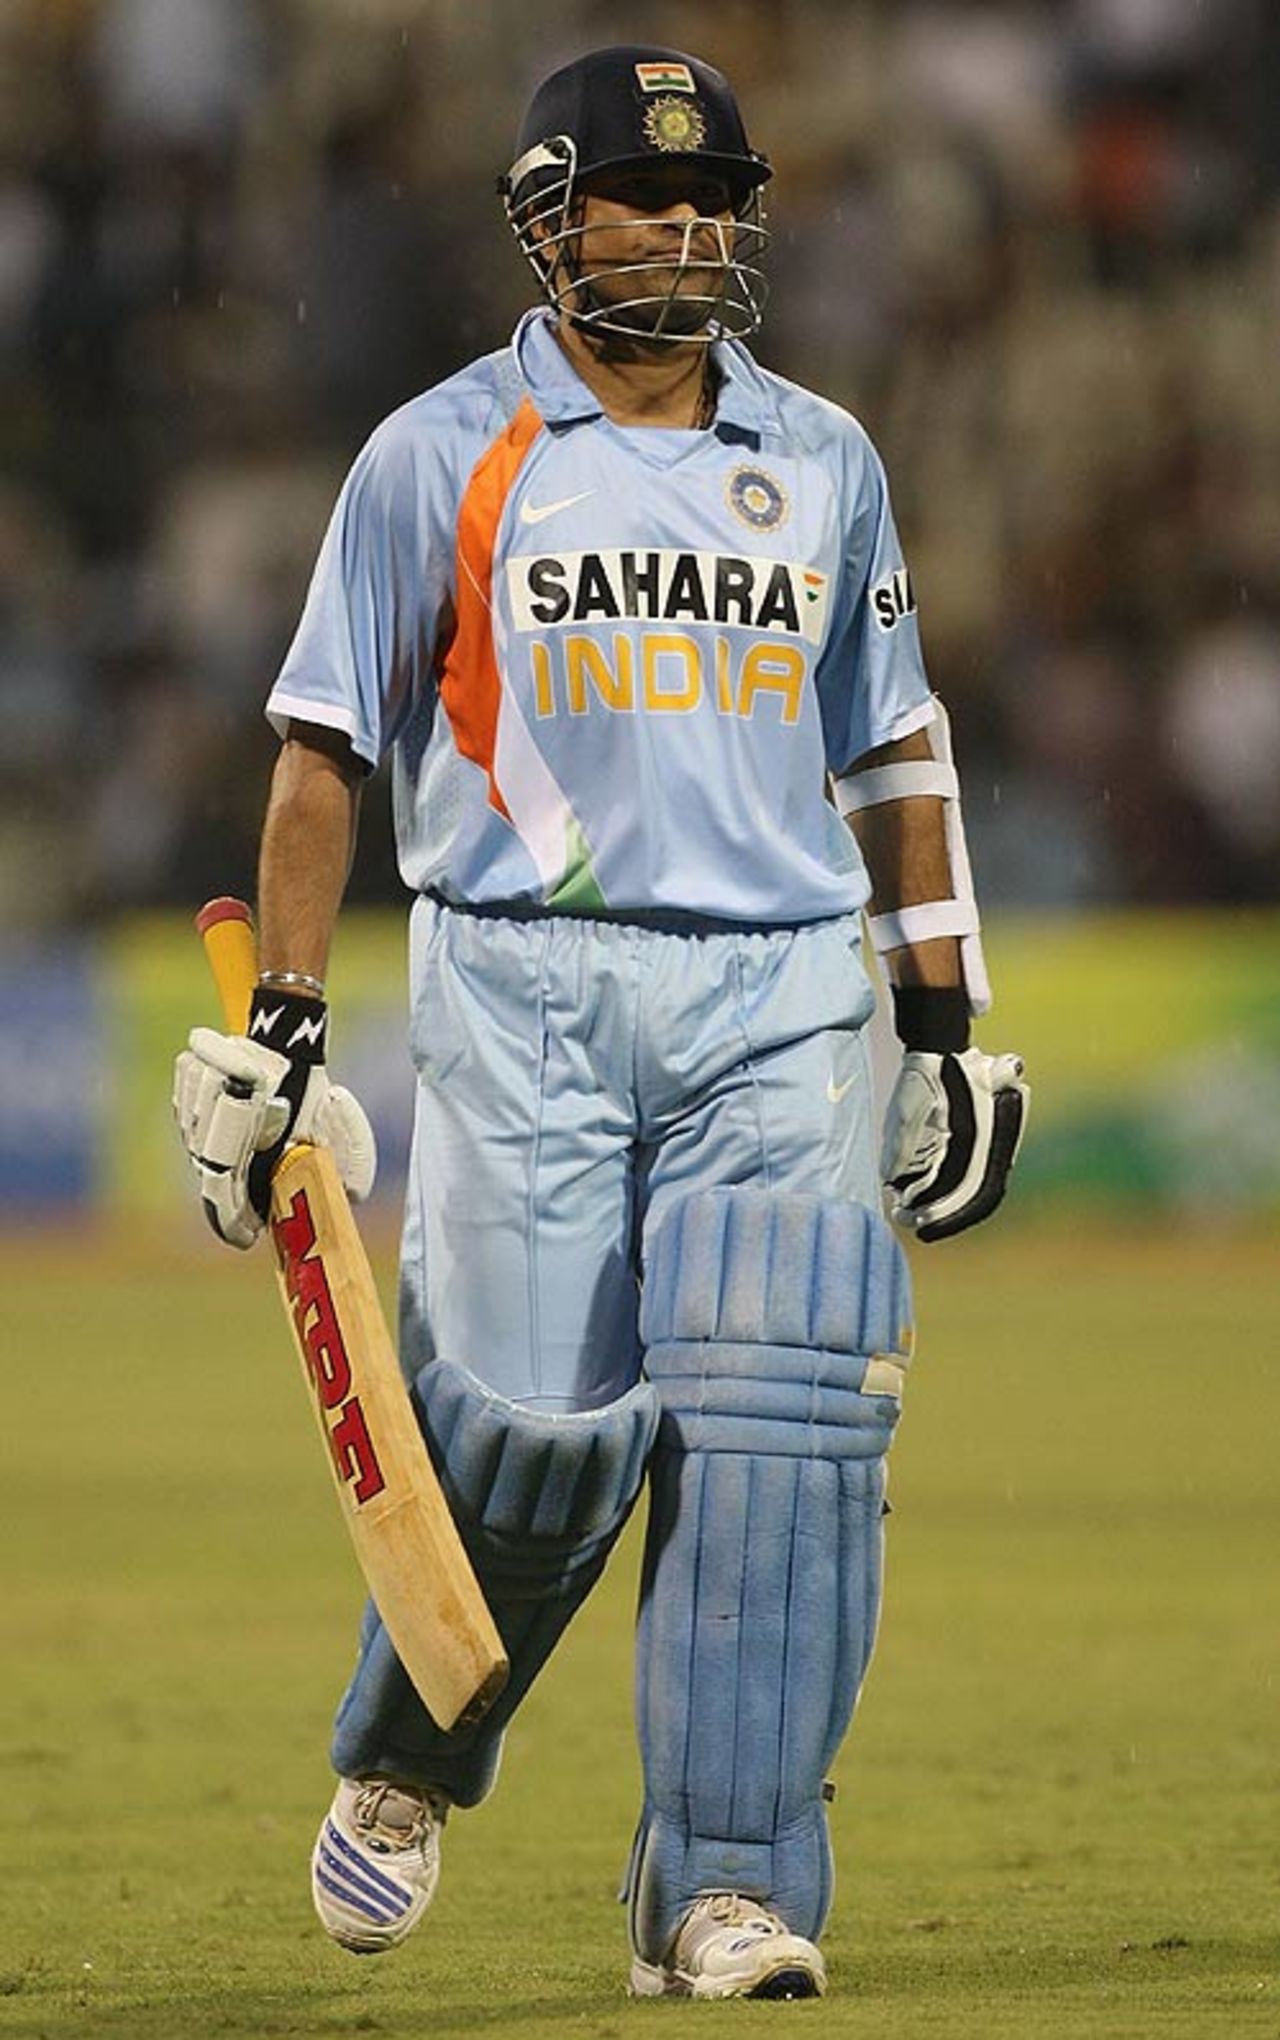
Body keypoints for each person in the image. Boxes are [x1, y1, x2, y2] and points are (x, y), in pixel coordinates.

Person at [173, 44, 1028, 2003]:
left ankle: (715, 1889)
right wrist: (280, 1028)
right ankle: (409, 1755)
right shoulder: (438, 450)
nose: (688, 224)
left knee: (780, 1433)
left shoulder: (820, 456)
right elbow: (324, 751)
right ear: (552, 214)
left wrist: (944, 1013)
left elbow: (893, 743)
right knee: (544, 1437)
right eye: (649, 194)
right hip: (521, 979)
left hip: (774, 993)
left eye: (716, 194)